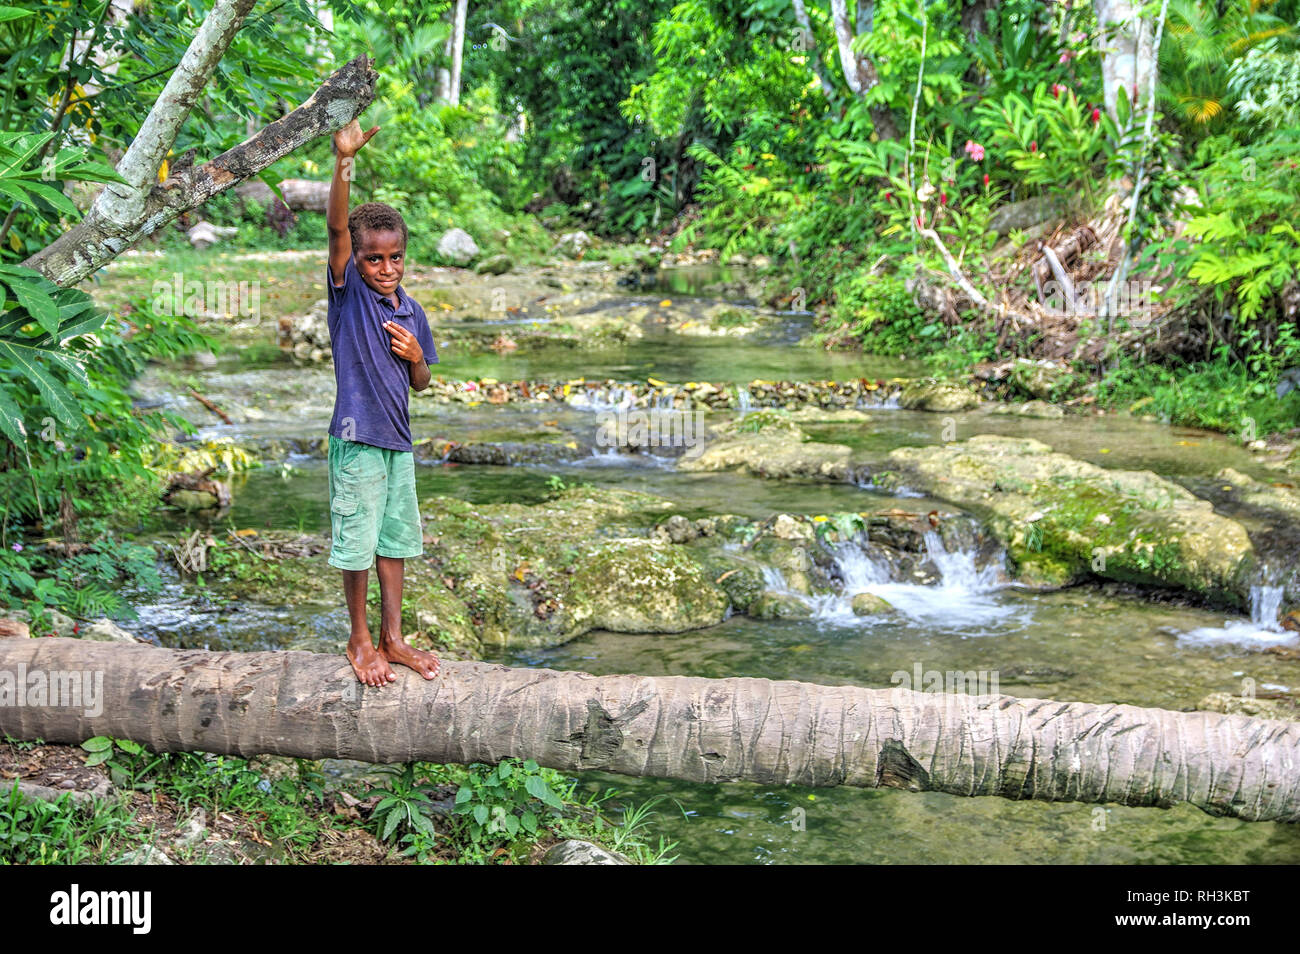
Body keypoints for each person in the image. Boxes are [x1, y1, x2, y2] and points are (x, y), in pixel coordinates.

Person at [325, 118, 441, 687]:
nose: (386, 269)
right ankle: (360, 639)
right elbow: (336, 233)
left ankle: (394, 638)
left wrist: (417, 353)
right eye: (375, 259)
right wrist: (344, 159)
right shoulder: (349, 296)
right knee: (357, 543)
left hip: (397, 444)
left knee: (393, 541)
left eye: (395, 258)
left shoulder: (411, 310)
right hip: (357, 440)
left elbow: (421, 382)